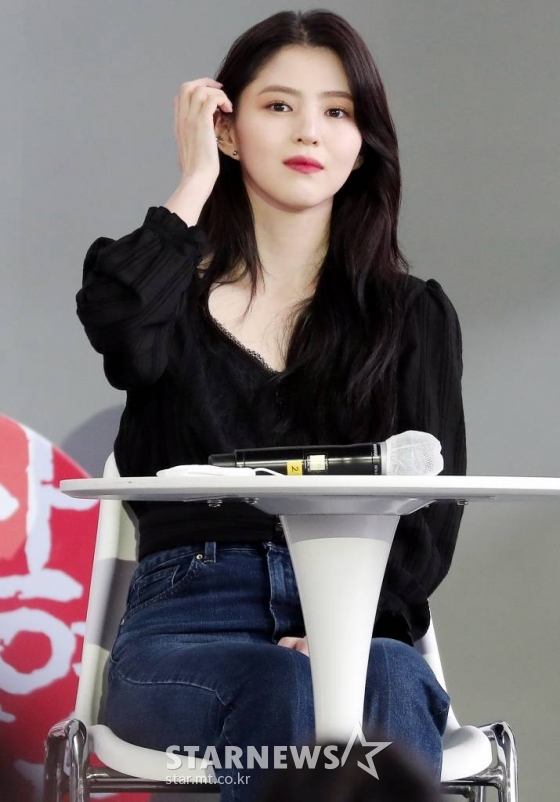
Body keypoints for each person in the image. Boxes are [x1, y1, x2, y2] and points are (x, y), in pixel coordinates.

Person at [76, 9, 466, 802]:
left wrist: (341, 630)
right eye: (279, 105)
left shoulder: (411, 316)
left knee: (387, 678)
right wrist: (193, 182)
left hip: (361, 615)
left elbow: (428, 519)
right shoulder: (167, 302)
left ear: (363, 142)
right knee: (285, 689)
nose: (309, 132)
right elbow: (120, 331)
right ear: (228, 130)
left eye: (338, 111)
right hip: (187, 622)